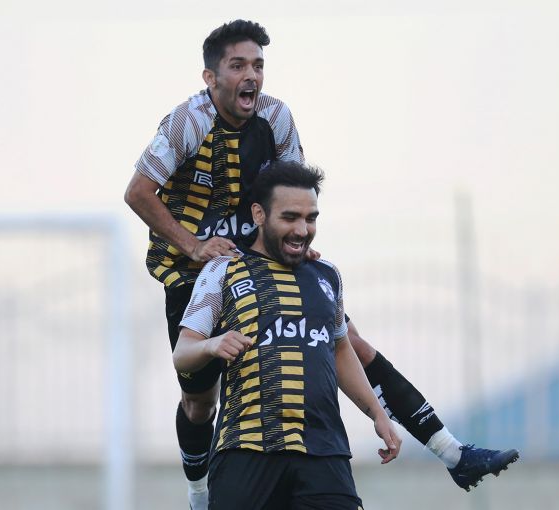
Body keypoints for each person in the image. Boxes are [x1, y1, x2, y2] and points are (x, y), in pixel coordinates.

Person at [125, 19, 517, 508]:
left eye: (258, 66)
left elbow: (294, 187)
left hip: (260, 262)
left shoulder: (276, 117)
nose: (252, 75)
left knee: (347, 341)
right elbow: (138, 192)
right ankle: (199, 495)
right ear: (211, 77)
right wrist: (194, 246)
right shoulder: (187, 122)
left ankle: (453, 452)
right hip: (191, 270)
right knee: (200, 403)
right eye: (238, 65)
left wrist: (295, 235)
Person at [173, 161, 401, 509]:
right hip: (246, 451)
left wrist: (377, 413)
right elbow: (182, 354)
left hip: (323, 451)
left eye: (311, 219)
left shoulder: (326, 275)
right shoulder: (223, 269)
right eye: (290, 217)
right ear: (259, 214)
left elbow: (340, 349)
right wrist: (212, 344)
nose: (302, 230)